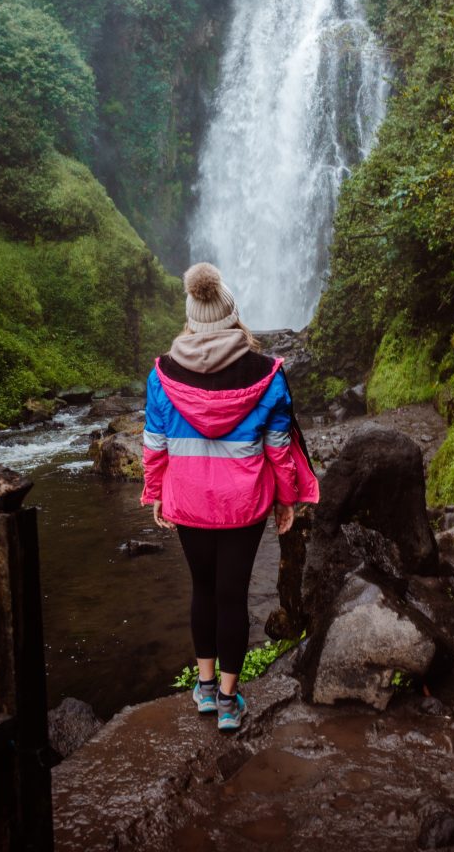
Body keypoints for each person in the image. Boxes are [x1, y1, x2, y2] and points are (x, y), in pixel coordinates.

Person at [141, 262, 319, 731]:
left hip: (189, 502)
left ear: (192, 318)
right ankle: (226, 700)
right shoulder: (268, 374)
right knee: (232, 597)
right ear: (231, 315)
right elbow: (279, 449)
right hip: (243, 506)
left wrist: (156, 491)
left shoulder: (161, 374)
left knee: (202, 589)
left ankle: (202, 689)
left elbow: (155, 444)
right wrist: (286, 500)